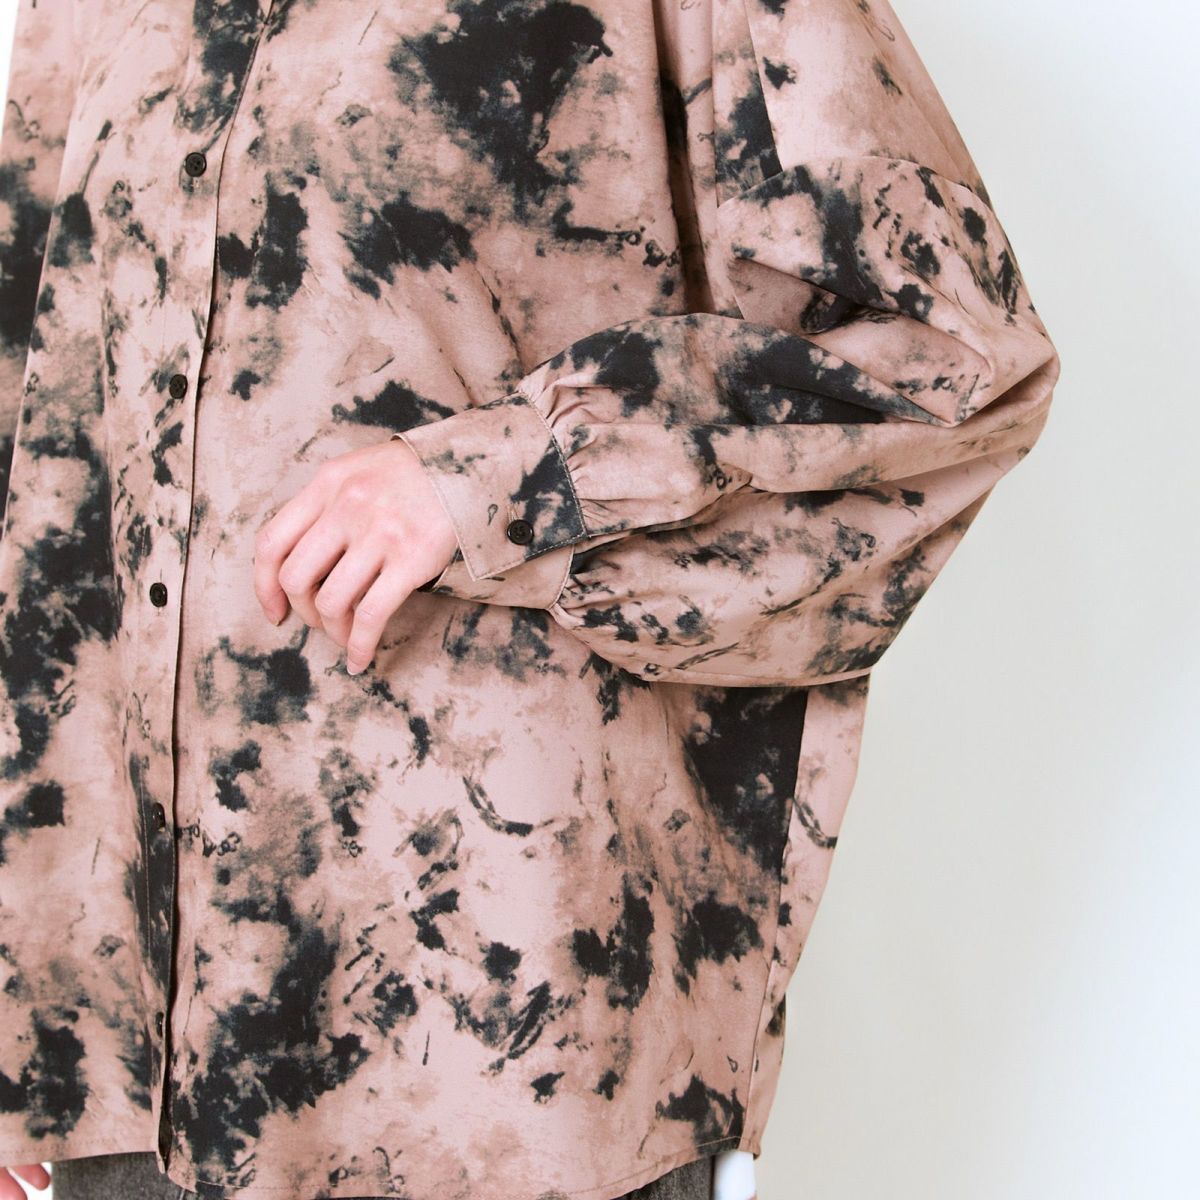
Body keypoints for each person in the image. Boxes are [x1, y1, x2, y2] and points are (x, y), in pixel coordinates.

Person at [0, 0, 1060, 1197]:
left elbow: (961, 355)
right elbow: (39, 458)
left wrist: (492, 474)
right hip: (138, 1055)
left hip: (498, 1028)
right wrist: (24, 996)